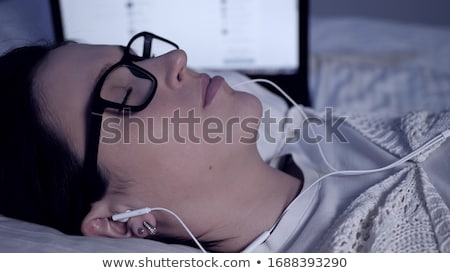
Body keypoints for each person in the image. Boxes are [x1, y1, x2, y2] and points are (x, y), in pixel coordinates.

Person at [1, 31, 450, 253]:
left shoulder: (319, 133)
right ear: (120, 222)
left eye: (139, 57)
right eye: (123, 89)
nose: (174, 59)